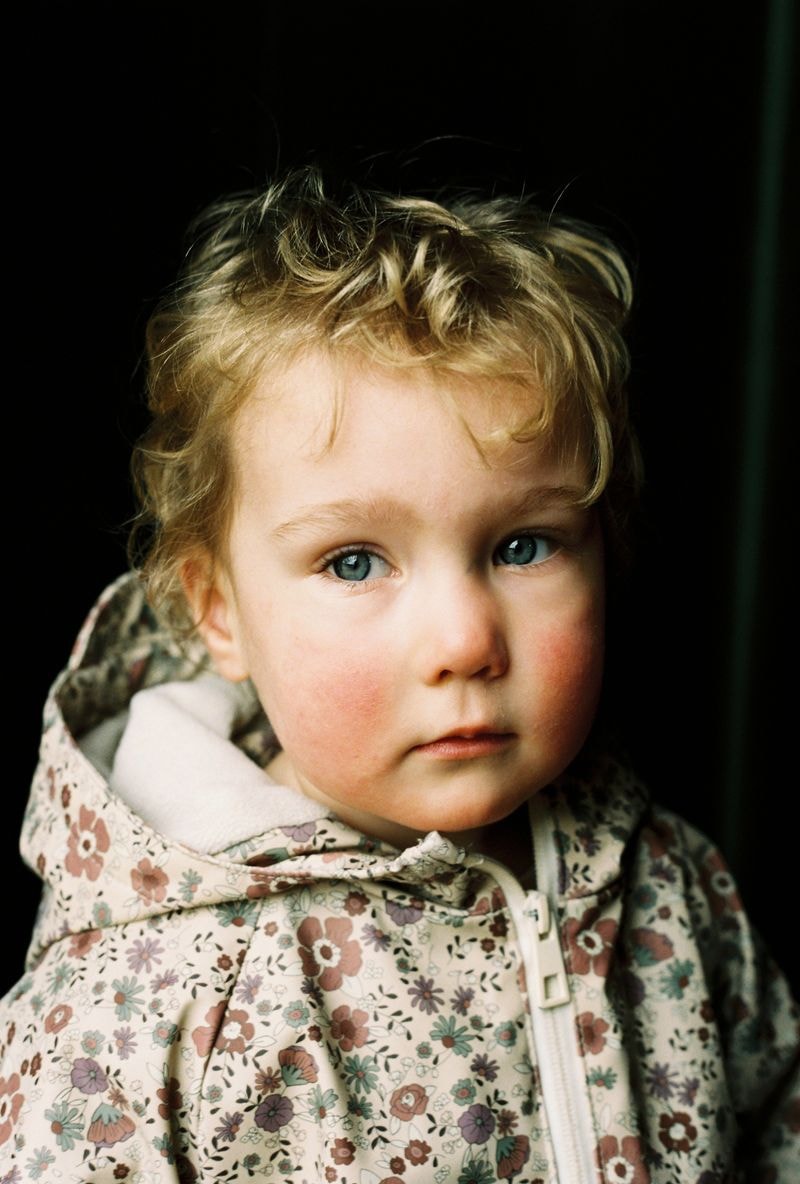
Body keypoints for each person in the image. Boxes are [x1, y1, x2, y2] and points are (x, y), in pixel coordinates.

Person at [0, 167, 797, 1184]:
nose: (463, 640)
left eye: (522, 545)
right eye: (353, 561)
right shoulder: (143, 1006)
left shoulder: (664, 884)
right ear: (218, 609)